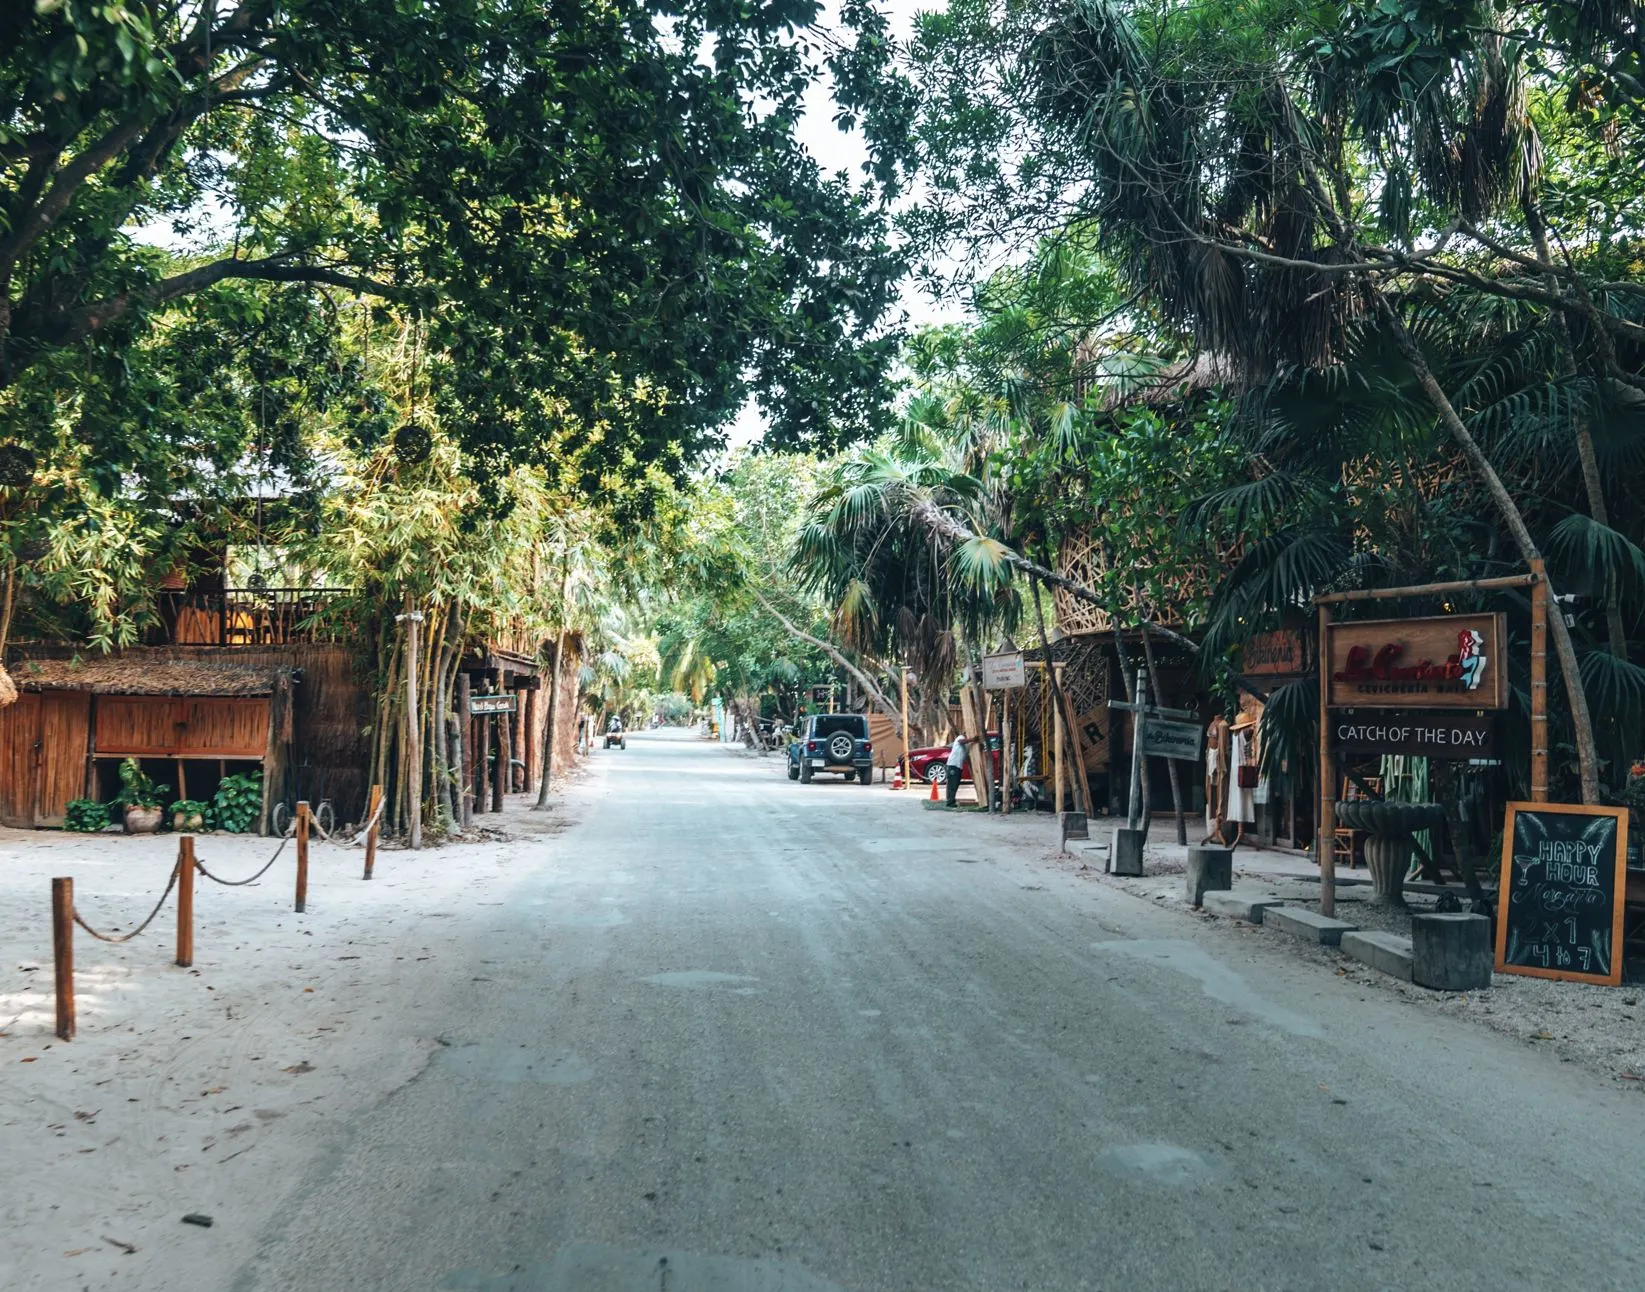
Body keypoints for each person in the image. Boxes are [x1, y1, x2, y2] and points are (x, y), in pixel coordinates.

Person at [945, 732, 977, 808]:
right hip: (953, 764)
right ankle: (950, 802)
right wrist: (972, 739)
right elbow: (961, 741)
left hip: (958, 766)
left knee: (955, 783)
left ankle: (951, 800)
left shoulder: (966, 745)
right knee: (952, 784)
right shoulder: (960, 737)